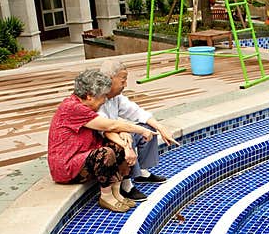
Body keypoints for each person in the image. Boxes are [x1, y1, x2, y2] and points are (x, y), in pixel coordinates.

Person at [47, 69, 155, 213]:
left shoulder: (84, 105)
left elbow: (109, 126)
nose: (105, 100)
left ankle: (116, 192)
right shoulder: (72, 108)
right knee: (105, 153)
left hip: (83, 157)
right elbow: (110, 125)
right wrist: (141, 130)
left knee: (118, 145)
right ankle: (106, 197)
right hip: (67, 166)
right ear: (89, 96)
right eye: (103, 96)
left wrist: (124, 138)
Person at [98, 59, 180, 203]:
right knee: (127, 137)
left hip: (115, 130)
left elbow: (136, 112)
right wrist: (123, 130)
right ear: (109, 79)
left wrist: (161, 128)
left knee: (148, 128)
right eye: (123, 80)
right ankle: (126, 185)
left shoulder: (116, 97)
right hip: (104, 140)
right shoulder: (97, 98)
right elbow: (105, 127)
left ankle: (141, 172)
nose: (125, 85)